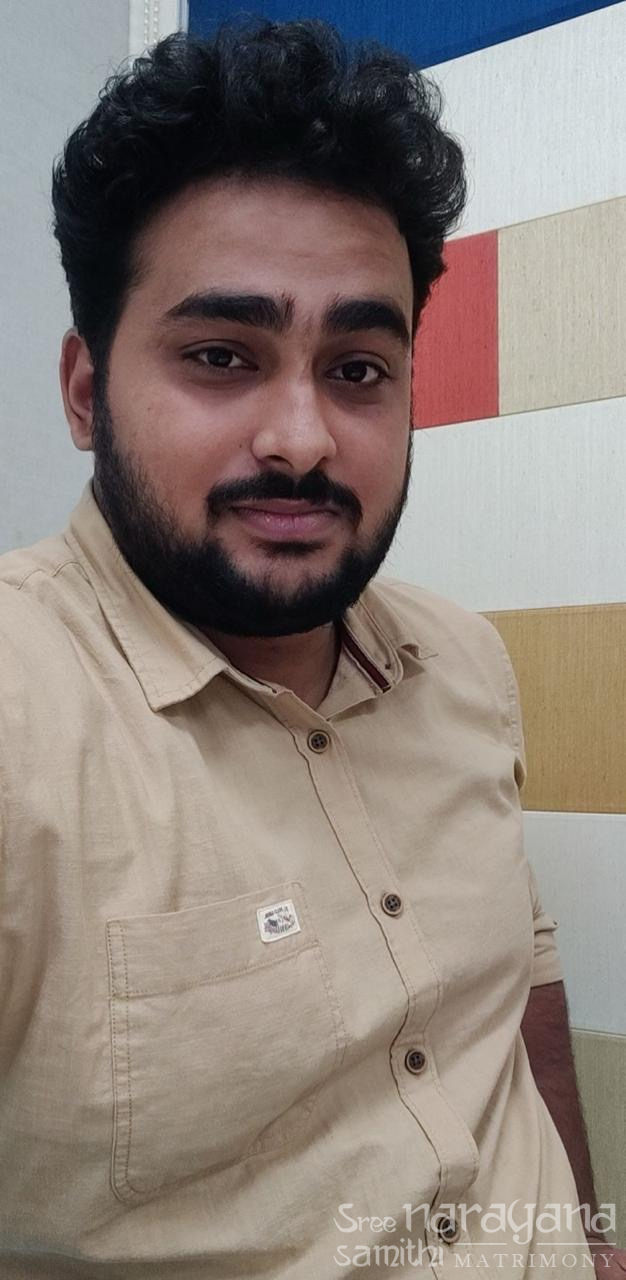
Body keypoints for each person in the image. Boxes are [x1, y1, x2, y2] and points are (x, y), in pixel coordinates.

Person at [0, 19, 622, 1280]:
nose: (302, 438)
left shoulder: (462, 661)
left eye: (357, 368)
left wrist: (593, 1238)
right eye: (219, 356)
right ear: (84, 391)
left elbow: (517, 988)